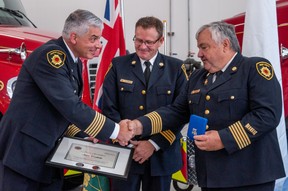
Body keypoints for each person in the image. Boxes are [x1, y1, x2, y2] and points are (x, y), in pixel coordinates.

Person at [128, 21, 286, 191]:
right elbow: (176, 112)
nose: (199, 54)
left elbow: (267, 115)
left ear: (225, 45)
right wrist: (139, 125)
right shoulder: (198, 76)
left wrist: (223, 139)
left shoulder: (253, 68)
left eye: (204, 47)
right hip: (211, 176)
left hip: (248, 176)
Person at [0, 9, 134, 191]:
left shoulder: (74, 60)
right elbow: (71, 106)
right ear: (73, 37)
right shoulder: (50, 57)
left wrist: (85, 134)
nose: (98, 45)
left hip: (47, 155)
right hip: (24, 156)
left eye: (99, 39)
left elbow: (58, 111)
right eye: (93, 38)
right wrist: (116, 131)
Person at [101, 16, 188, 191]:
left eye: (148, 42)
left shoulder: (176, 68)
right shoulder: (118, 65)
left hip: (161, 153)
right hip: (125, 150)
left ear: (161, 41)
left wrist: (153, 144)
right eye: (138, 40)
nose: (142, 46)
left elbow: (182, 111)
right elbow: (108, 106)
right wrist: (123, 136)